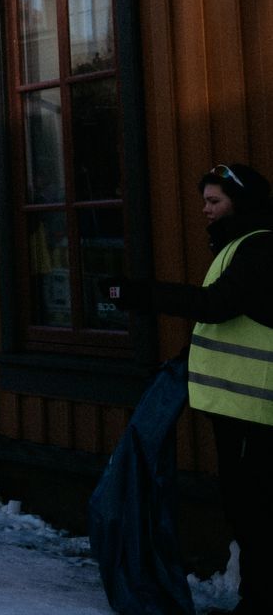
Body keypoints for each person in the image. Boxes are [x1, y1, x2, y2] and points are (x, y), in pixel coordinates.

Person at [112, 163, 273, 615]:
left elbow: (216, 306)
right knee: (246, 510)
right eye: (204, 200)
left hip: (255, 406)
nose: (205, 209)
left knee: (255, 512)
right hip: (236, 404)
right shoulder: (239, 244)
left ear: (239, 202)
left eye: (214, 201)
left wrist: (142, 295)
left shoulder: (259, 247)